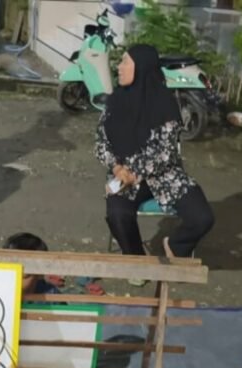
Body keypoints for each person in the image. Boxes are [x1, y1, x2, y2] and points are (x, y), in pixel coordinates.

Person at [96, 44, 215, 260]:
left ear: (141, 67)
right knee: (118, 214)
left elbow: (164, 152)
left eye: (125, 62)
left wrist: (134, 173)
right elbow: (101, 143)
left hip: (165, 175)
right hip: (123, 173)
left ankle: (176, 247)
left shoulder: (166, 103)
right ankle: (137, 260)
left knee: (202, 218)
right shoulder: (114, 102)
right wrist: (117, 169)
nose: (119, 67)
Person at [2, 233, 78, 368]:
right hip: (3, 359)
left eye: (24, 276)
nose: (16, 280)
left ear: (39, 274)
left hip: (37, 362)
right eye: (11, 271)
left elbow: (66, 352)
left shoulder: (51, 298)